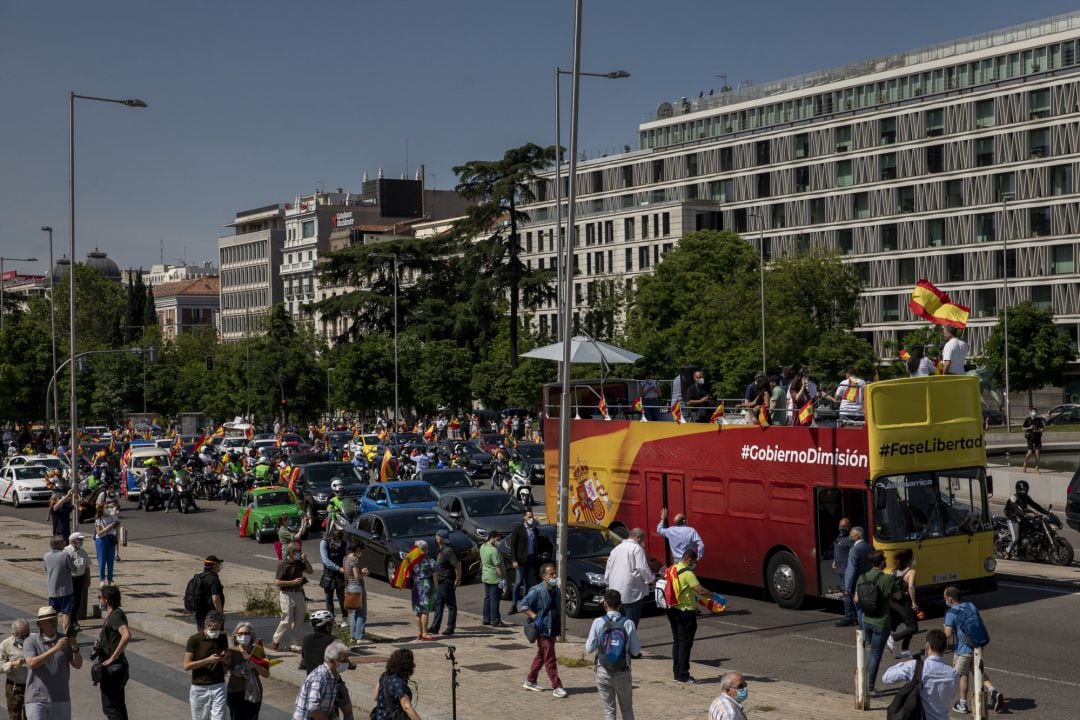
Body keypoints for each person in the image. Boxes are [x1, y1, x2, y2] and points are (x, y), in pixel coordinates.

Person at [943, 586, 1005, 714]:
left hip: (963, 650)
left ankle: (962, 704)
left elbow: (947, 634)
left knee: (962, 676)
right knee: (977, 671)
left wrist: (946, 626)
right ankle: (993, 691)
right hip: (977, 646)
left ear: (950, 599)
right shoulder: (970, 605)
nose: (945, 600)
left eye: (945, 598)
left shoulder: (951, 613)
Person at [585, 589, 641, 720]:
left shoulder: (598, 622)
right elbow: (635, 651)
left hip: (603, 670)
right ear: (620, 604)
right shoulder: (628, 623)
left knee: (609, 711)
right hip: (623, 671)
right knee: (627, 709)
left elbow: (589, 648)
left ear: (605, 603)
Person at [881, 629, 959, 720]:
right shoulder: (953, 674)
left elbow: (886, 677)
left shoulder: (916, 666)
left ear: (927, 646)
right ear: (945, 648)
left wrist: (906, 663)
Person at [853, 550, 900, 696]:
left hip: (866, 620)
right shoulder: (887, 579)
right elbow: (897, 596)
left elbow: (856, 599)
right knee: (875, 654)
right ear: (881, 563)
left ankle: (865, 682)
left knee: (870, 652)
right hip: (881, 621)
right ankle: (869, 687)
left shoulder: (862, 577)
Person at [23, 606, 82, 720]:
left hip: (61, 698)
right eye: (50, 621)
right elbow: (31, 663)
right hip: (37, 699)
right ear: (40, 624)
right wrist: (56, 648)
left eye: (55, 619)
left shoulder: (64, 639)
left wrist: (75, 647)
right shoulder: (31, 641)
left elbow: (78, 665)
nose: (54, 623)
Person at [665, 548, 713, 684]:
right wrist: (714, 596)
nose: (695, 564)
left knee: (677, 642)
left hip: (672, 609)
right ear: (689, 559)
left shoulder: (671, 569)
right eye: (695, 561)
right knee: (685, 644)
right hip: (685, 612)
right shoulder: (687, 573)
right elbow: (700, 590)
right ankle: (683, 675)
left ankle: (677, 673)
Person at [520, 562, 566, 698]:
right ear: (544, 576)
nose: (554, 575)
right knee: (550, 657)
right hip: (543, 629)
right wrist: (535, 617)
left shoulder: (556, 590)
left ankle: (530, 680)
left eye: (555, 573)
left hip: (553, 627)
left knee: (542, 655)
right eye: (551, 574)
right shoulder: (537, 590)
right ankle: (557, 686)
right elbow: (523, 605)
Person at [603, 528, 655, 628]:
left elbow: (608, 567)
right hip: (632, 592)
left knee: (618, 622)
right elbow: (642, 568)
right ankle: (630, 642)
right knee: (631, 623)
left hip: (616, 590)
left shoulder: (616, 549)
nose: (643, 542)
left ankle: (619, 641)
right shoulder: (637, 549)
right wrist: (651, 580)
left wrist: (607, 583)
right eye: (642, 539)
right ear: (638, 538)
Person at [184, 610, 230, 720]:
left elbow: (229, 662)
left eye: (219, 629)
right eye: (214, 629)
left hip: (218, 685)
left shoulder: (222, 637)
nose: (217, 632)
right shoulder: (194, 640)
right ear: (207, 625)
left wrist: (224, 659)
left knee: (219, 718)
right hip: (199, 687)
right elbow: (186, 666)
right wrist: (208, 660)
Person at [95, 584, 131, 720]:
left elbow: (126, 635)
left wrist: (112, 658)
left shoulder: (116, 615)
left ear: (107, 599)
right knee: (118, 705)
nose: (99, 600)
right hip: (115, 667)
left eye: (100, 597)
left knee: (111, 708)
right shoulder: (114, 615)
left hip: (113, 669)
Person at [292, 641, 352, 720]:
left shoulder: (333, 676)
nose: (347, 663)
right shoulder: (319, 678)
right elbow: (313, 708)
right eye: (344, 660)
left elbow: (327, 706)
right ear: (332, 660)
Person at [271, 542, 313, 652]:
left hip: (298, 593)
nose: (299, 554)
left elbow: (310, 571)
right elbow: (277, 582)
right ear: (290, 552)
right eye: (297, 552)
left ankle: (296, 644)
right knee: (287, 619)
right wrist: (292, 582)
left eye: (300, 552)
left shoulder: (299, 562)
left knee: (299, 620)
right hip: (287, 594)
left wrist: (305, 560)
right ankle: (275, 640)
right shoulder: (283, 564)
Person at [226, 621, 268, 720]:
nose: (243, 636)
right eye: (240, 634)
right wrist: (226, 663)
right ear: (235, 636)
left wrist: (255, 666)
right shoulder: (231, 651)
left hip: (253, 692)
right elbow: (223, 671)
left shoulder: (257, 651)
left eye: (246, 633)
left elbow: (266, 674)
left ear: (251, 635)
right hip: (235, 691)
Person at [1003, 479, 1049, 559]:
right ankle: (1008, 552)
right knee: (1015, 538)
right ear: (1018, 489)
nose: (1024, 491)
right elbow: (1017, 509)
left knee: (1031, 530)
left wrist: (1045, 512)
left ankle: (1025, 551)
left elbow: (1034, 505)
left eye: (1025, 489)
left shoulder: (1026, 497)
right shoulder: (1013, 498)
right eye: (1022, 490)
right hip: (1013, 518)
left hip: (1021, 517)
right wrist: (1026, 515)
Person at [371, 648, 422, 720]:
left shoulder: (384, 675)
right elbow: (407, 707)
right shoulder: (399, 683)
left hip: (379, 717)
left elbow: (375, 697)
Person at [427, 529, 460, 637]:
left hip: (447, 582)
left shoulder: (448, 551)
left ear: (439, 539)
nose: (435, 538)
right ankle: (435, 627)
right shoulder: (440, 550)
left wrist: (458, 579)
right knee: (438, 605)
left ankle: (450, 628)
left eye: (436, 536)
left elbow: (457, 565)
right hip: (440, 582)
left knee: (451, 606)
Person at [887, 548, 919, 656]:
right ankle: (894, 637)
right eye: (913, 557)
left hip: (893, 602)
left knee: (906, 624)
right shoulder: (911, 571)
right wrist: (914, 603)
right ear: (909, 560)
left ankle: (904, 649)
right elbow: (911, 588)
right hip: (904, 602)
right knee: (913, 627)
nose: (914, 558)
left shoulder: (893, 571)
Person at [508, 510, 541, 614]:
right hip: (521, 561)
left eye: (532, 517)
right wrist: (514, 560)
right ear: (524, 518)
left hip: (531, 560)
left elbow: (536, 544)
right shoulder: (518, 529)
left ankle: (524, 604)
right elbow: (513, 546)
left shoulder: (534, 530)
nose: (531, 519)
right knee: (518, 582)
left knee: (528, 583)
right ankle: (513, 605)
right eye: (529, 517)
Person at [838, 526, 872, 627]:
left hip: (858, 584)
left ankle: (864, 633)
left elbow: (851, 570)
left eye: (852, 533)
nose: (850, 535)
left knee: (860, 610)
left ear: (857, 536)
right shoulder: (870, 547)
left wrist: (847, 588)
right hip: (869, 582)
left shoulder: (854, 550)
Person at [43, 536, 75, 633]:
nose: (65, 544)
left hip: (52, 590)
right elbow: (73, 568)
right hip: (65, 590)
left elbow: (46, 569)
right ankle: (65, 634)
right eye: (63, 542)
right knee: (66, 613)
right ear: (59, 544)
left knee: (53, 614)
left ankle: (53, 633)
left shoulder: (46, 556)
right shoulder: (65, 555)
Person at [409, 540, 438, 642]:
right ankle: (425, 633)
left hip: (416, 586)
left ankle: (420, 632)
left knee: (418, 611)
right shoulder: (431, 562)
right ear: (426, 550)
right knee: (425, 610)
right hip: (426, 585)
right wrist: (436, 588)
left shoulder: (413, 562)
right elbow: (435, 577)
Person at [0, 618, 29, 720]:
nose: (26, 637)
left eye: (27, 634)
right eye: (22, 635)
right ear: (14, 633)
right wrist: (12, 663)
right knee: (15, 716)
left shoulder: (34, 639)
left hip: (33, 685)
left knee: (31, 716)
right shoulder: (5, 644)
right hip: (15, 686)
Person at [342, 539, 369, 644]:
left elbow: (349, 573)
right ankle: (360, 637)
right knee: (361, 613)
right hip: (358, 588)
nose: (361, 553)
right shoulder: (355, 560)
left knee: (353, 613)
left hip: (349, 587)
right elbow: (357, 576)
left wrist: (359, 571)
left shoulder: (345, 559)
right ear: (358, 549)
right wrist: (365, 574)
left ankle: (352, 636)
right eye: (361, 550)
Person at [319, 531, 348, 623]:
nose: (338, 544)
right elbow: (325, 560)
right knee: (328, 598)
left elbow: (347, 557)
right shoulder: (324, 543)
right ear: (332, 538)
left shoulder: (344, 543)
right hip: (329, 574)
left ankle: (345, 619)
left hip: (341, 575)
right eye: (336, 541)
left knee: (342, 597)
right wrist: (338, 568)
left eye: (340, 541)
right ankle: (331, 619)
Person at [480, 529, 507, 627]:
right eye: (497, 539)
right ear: (492, 538)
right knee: (494, 600)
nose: (498, 542)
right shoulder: (493, 550)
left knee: (487, 598)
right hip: (494, 578)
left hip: (486, 576)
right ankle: (495, 620)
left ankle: (486, 618)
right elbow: (498, 567)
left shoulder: (483, 547)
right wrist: (502, 578)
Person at [64, 533, 91, 627]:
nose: (81, 542)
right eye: (79, 540)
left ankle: (74, 619)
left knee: (77, 600)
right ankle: (69, 619)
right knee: (71, 600)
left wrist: (88, 579)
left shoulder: (83, 552)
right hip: (70, 579)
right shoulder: (66, 551)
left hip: (80, 578)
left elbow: (87, 567)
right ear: (73, 541)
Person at [194, 556, 226, 632]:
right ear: (214, 565)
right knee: (216, 638)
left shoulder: (200, 577)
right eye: (219, 565)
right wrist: (220, 615)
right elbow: (216, 599)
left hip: (200, 614)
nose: (220, 567)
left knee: (203, 638)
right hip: (212, 616)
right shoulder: (213, 579)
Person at [94, 504, 120, 587]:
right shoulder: (98, 519)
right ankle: (102, 579)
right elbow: (99, 533)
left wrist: (115, 517)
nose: (108, 509)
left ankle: (110, 579)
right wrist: (108, 527)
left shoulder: (111, 516)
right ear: (102, 509)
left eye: (109, 508)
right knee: (102, 560)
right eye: (107, 508)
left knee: (110, 560)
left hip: (110, 539)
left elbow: (117, 524)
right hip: (101, 540)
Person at [1021, 409, 1045, 473]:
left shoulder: (1038, 420)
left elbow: (1042, 429)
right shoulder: (1027, 419)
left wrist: (1037, 430)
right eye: (1033, 412)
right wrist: (1029, 428)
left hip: (1037, 437)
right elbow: (1022, 428)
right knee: (1029, 452)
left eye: (1035, 412)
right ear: (1030, 412)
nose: (1034, 413)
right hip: (1030, 437)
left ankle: (1037, 468)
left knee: (1037, 453)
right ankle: (1025, 464)